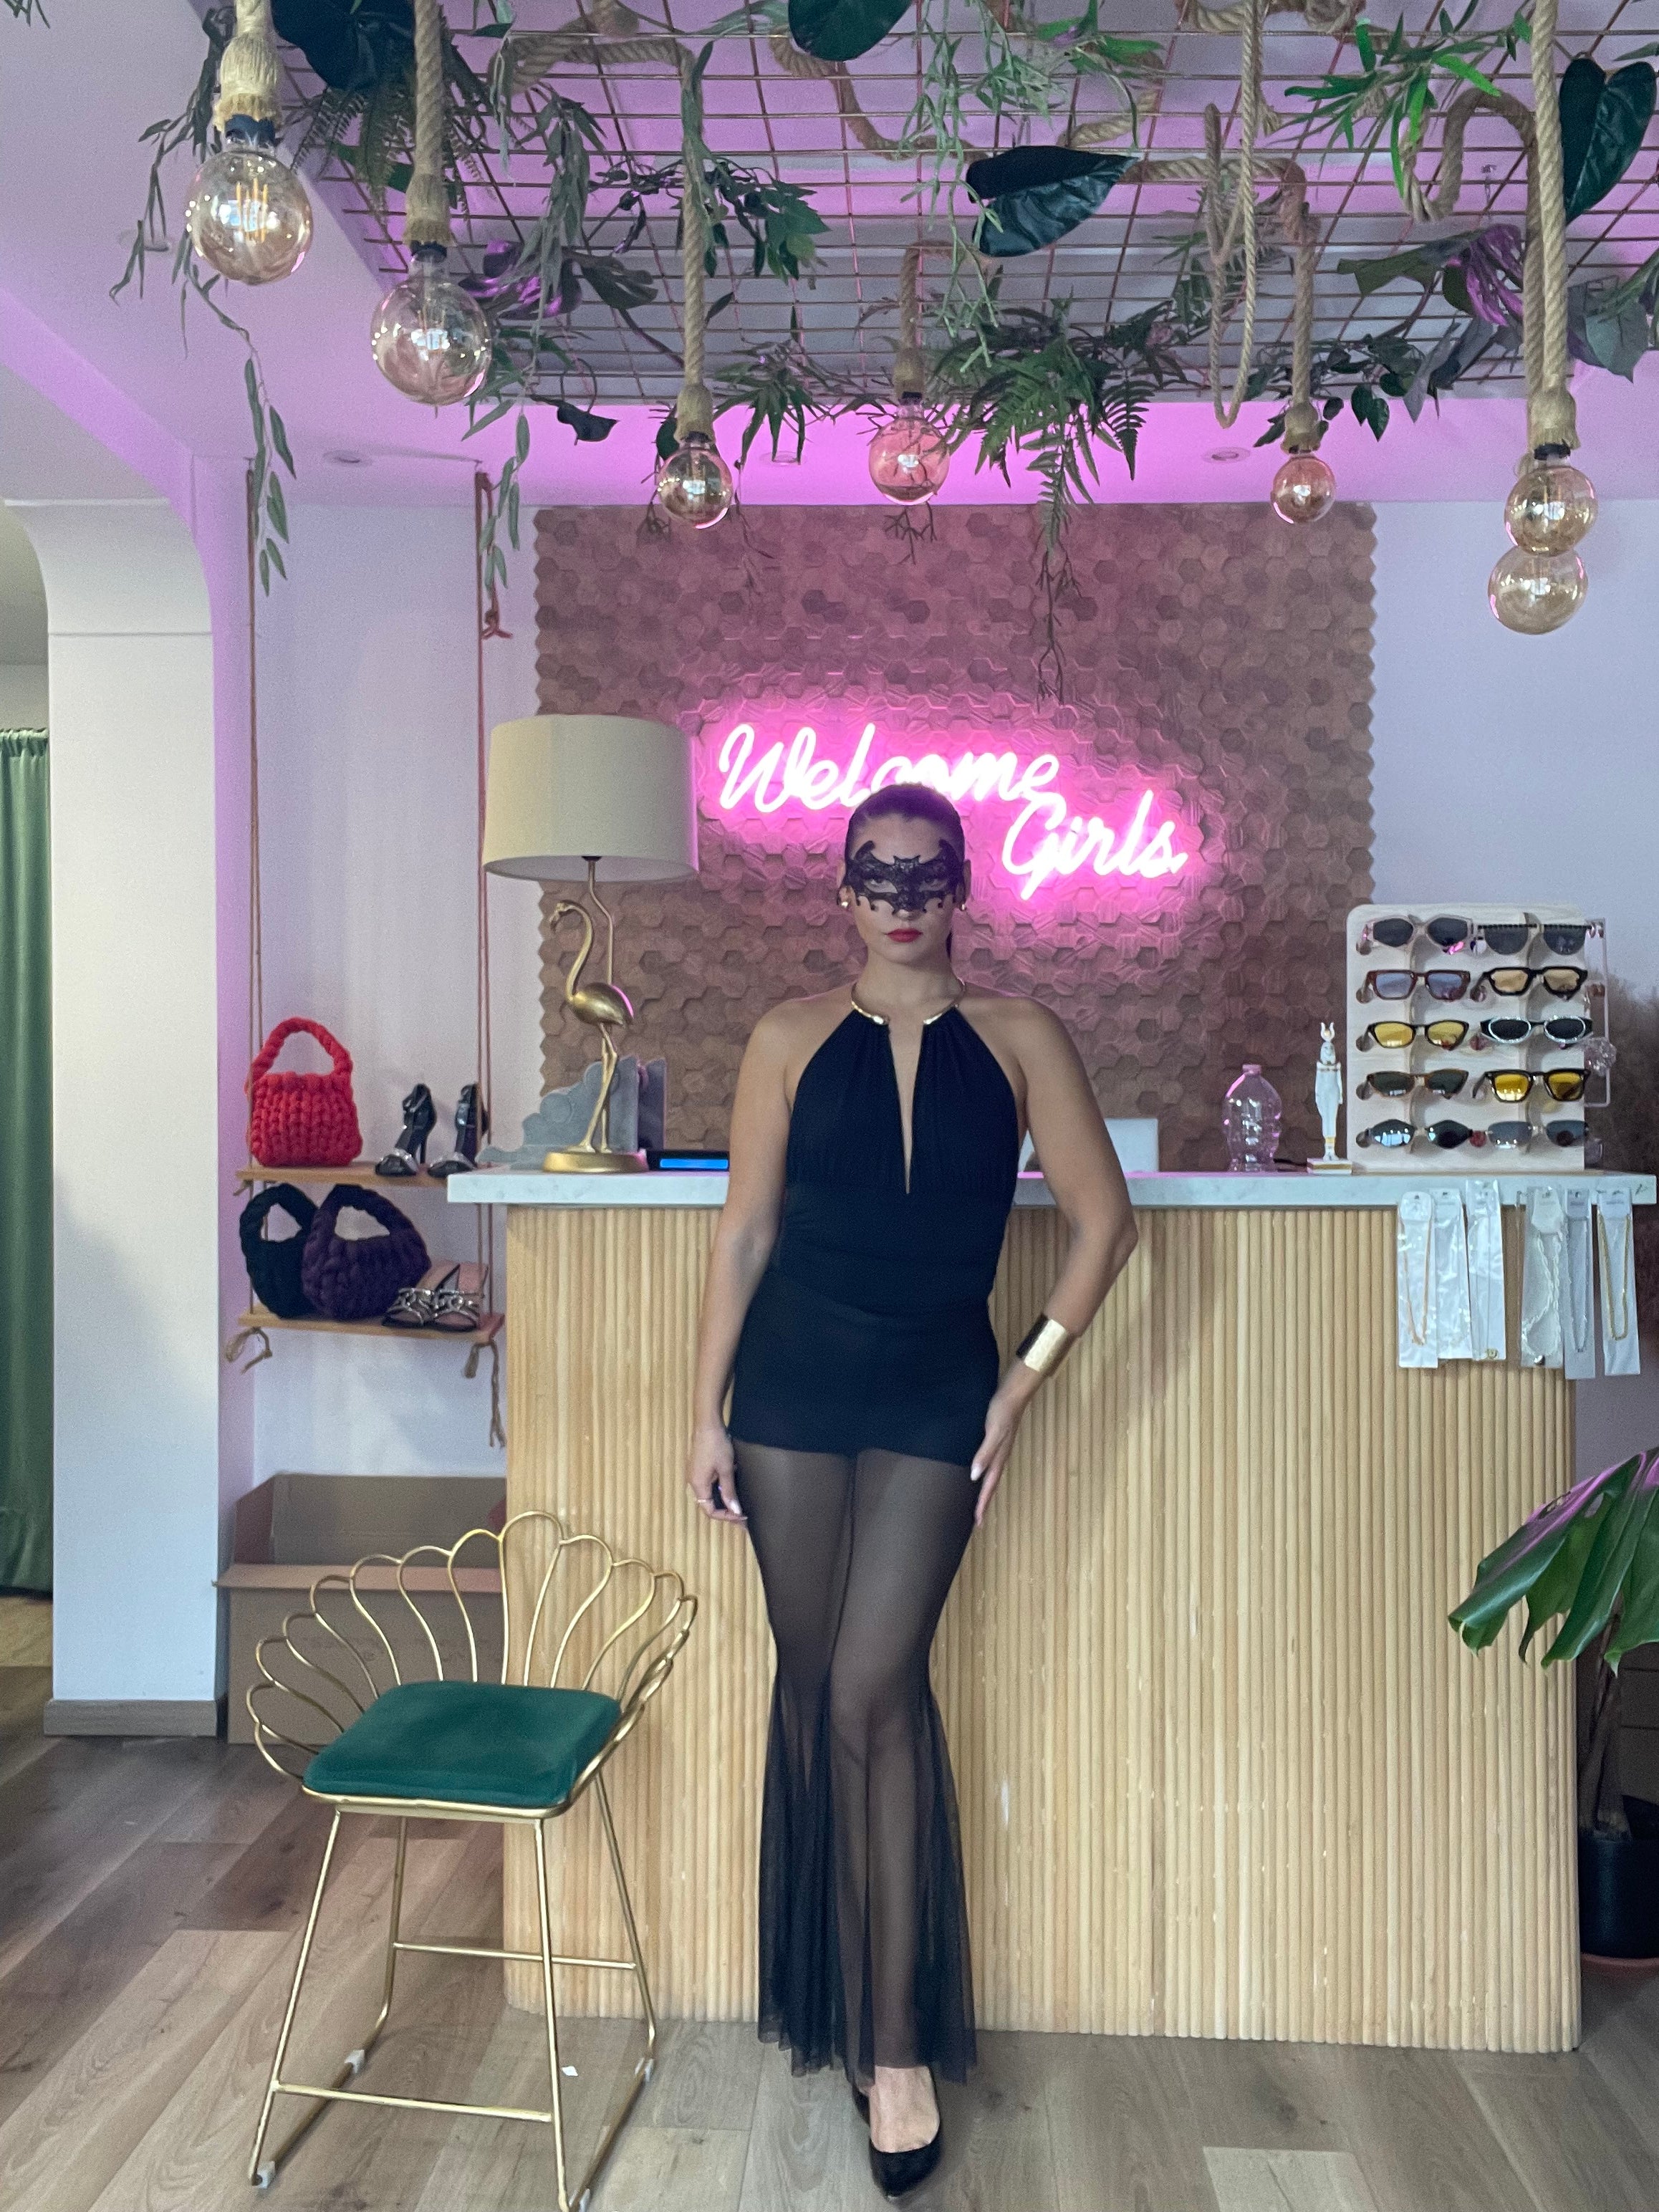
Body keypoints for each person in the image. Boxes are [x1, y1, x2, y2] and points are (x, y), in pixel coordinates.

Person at [684, 783, 1139, 2198]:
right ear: (842, 890)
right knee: (820, 1690)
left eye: (925, 874)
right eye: (876, 875)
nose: (900, 898)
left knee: (875, 1688)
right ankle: (845, 2004)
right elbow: (746, 1231)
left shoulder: (1021, 1036)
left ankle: (895, 2050)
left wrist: (1021, 1384)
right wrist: (703, 1410)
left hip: (942, 1390)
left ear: (963, 888)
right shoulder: (784, 1036)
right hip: (791, 1395)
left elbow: (1106, 1224)